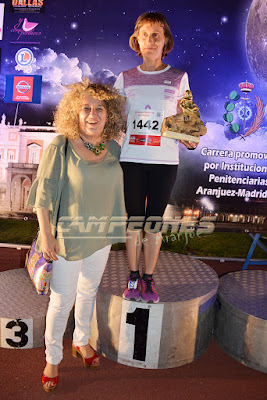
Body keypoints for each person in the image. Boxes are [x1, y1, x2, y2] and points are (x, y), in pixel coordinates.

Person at [27, 79, 126, 392]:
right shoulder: (62, 145)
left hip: (102, 235)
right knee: (61, 301)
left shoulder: (113, 147)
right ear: (75, 112)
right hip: (68, 238)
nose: (92, 114)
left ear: (109, 114)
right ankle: (52, 358)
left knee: (89, 290)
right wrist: (47, 235)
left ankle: (82, 341)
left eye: (99, 108)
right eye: (86, 108)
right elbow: (44, 193)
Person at [114, 12, 198, 304]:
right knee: (134, 222)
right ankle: (133, 275)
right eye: (144, 34)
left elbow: (188, 121)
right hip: (132, 158)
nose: (150, 40)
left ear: (166, 41)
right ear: (136, 40)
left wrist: (190, 137)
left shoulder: (178, 77)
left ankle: (148, 278)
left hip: (164, 162)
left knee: (154, 223)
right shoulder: (125, 78)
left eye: (156, 35)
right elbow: (116, 121)